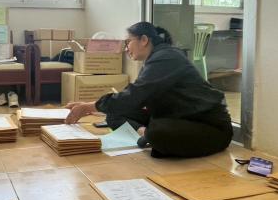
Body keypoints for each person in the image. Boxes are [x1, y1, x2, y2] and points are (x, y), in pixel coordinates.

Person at [65, 22, 233, 158]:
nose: (126, 48)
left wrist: (88, 107)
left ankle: (150, 135)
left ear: (144, 40)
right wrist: (95, 106)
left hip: (208, 126)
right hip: (177, 115)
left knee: (157, 133)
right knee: (114, 114)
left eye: (128, 42)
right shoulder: (155, 58)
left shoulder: (167, 57)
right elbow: (134, 97)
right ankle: (143, 132)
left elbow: (135, 95)